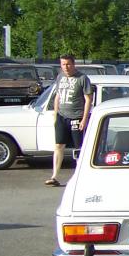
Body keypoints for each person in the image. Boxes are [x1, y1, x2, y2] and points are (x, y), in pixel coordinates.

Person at [46, 54, 94, 187]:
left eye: (68, 64)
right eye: (63, 64)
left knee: (80, 149)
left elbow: (88, 99)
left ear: (73, 64)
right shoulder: (60, 77)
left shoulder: (82, 78)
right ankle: (54, 176)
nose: (65, 67)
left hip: (77, 117)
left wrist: (84, 119)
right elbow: (57, 97)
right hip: (62, 116)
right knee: (58, 146)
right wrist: (55, 115)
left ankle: (80, 176)